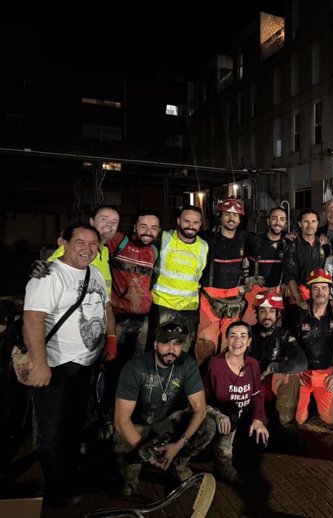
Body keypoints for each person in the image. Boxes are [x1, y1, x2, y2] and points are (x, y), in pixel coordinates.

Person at [22, 222, 115, 505]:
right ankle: (56, 489)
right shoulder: (49, 277)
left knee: (74, 423)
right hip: (58, 365)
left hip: (85, 365)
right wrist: (39, 363)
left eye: (93, 244)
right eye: (80, 242)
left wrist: (110, 337)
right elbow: (33, 318)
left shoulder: (95, 272)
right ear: (64, 242)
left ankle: (70, 476)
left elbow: (106, 305)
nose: (87, 249)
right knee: (52, 429)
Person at [113, 322, 215, 496]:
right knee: (125, 489)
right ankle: (134, 464)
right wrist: (143, 449)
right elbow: (121, 419)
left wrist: (179, 444)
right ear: (155, 344)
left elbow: (200, 408)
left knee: (208, 426)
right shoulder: (136, 367)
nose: (171, 349)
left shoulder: (186, 364)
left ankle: (177, 464)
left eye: (177, 344)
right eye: (166, 343)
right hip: (138, 429)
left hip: (166, 425)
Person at [204, 321, 270, 483]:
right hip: (222, 417)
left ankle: (237, 450)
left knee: (260, 438)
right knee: (230, 413)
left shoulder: (252, 364)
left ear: (248, 342)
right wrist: (216, 414)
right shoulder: (215, 364)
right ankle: (222, 464)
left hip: (242, 416)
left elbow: (256, 395)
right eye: (232, 336)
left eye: (243, 336)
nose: (237, 341)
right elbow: (199, 400)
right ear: (226, 339)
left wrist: (258, 420)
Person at [290, 269, 333, 426]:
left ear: (330, 291)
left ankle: (318, 400)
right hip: (303, 375)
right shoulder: (299, 314)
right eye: (315, 288)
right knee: (295, 419)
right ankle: (308, 401)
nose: (320, 292)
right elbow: (289, 344)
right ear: (309, 291)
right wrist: (295, 369)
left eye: (324, 288)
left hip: (327, 375)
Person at [197, 197, 249, 361]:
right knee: (205, 345)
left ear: (240, 219)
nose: (231, 218)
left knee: (231, 344)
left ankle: (225, 381)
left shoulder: (245, 239)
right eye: (227, 214)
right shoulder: (205, 239)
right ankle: (203, 383)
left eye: (235, 215)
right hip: (208, 300)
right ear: (220, 216)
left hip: (233, 300)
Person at [151, 205, 208, 352]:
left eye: (195, 222)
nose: (191, 226)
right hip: (162, 305)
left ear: (201, 224)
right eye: (186, 221)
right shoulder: (164, 238)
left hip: (188, 308)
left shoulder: (203, 246)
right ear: (178, 221)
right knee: (161, 349)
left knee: (184, 351)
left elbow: (199, 275)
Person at [248, 288, 307, 427]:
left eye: (271, 311)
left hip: (273, 385)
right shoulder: (247, 333)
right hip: (251, 386)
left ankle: (285, 421)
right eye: (263, 311)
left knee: (292, 375)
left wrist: (272, 367)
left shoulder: (284, 335)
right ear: (256, 313)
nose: (267, 316)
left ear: (278, 314)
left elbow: (301, 362)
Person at [107, 210, 161, 358]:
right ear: (134, 226)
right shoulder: (118, 241)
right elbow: (91, 238)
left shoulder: (154, 251)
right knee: (112, 364)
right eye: (143, 226)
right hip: (118, 317)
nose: (148, 232)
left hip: (142, 319)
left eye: (154, 228)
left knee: (136, 365)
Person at [46, 205, 120, 295]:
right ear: (92, 222)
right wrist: (40, 268)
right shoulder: (74, 247)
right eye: (104, 219)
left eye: (114, 222)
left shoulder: (105, 251)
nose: (109, 224)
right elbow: (46, 270)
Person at [243, 206, 288, 324]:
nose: (278, 222)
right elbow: (240, 260)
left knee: (273, 328)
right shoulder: (254, 241)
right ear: (268, 221)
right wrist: (245, 279)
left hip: (277, 293)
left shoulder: (288, 244)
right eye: (274, 218)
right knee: (251, 327)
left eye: (282, 219)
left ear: (286, 223)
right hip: (254, 292)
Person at [283, 209, 329, 310]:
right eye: (306, 221)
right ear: (300, 224)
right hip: (299, 296)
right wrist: (299, 299)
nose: (310, 225)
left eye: (313, 221)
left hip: (320, 296)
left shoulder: (324, 245)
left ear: (318, 223)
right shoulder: (293, 246)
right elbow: (290, 276)